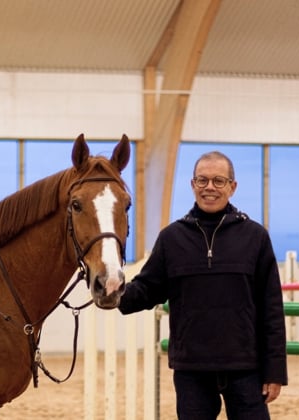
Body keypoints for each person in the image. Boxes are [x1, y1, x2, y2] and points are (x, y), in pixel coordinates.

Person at [118, 151, 287, 419]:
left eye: (219, 181)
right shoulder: (171, 238)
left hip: (246, 368)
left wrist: (275, 372)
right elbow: (147, 289)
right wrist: (111, 291)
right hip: (192, 371)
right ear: (192, 185)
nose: (210, 187)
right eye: (202, 180)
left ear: (233, 187)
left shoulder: (255, 237)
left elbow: (272, 310)